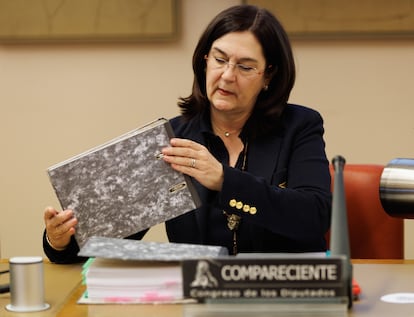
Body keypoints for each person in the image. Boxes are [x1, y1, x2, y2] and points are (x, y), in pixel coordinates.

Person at [43, 4, 331, 264]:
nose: (228, 75)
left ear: (268, 75)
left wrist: (224, 180)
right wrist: (61, 242)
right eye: (219, 60)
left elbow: (315, 217)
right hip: (198, 295)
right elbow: (113, 236)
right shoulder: (175, 138)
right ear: (204, 61)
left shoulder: (300, 126)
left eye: (245, 66)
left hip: (285, 292)